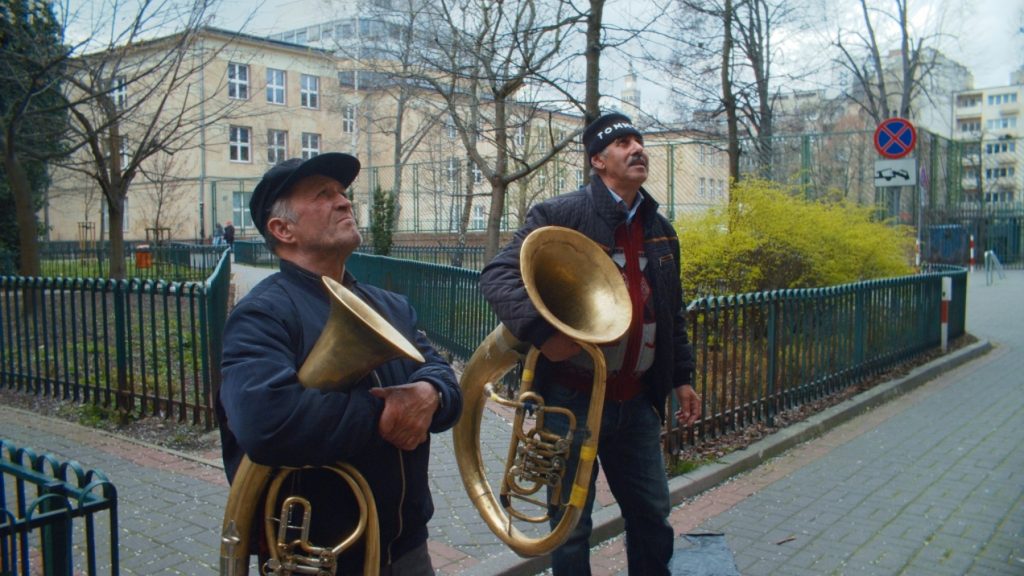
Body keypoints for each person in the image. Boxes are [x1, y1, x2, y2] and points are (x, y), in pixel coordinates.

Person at [479, 112, 702, 576]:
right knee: (570, 525)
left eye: (639, 140)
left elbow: (671, 312)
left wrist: (682, 377)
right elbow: (498, 275)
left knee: (652, 514)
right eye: (623, 143)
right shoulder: (559, 215)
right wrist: (544, 335)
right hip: (570, 397)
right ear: (598, 160)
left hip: (637, 401)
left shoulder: (661, 228)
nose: (637, 148)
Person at [216, 153, 461, 575]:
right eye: (323, 194)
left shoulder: (390, 306)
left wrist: (430, 393)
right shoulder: (262, 314)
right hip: (320, 560)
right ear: (283, 229)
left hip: (408, 548)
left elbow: (442, 374)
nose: (344, 201)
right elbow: (266, 421)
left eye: (343, 193)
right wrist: (384, 414)